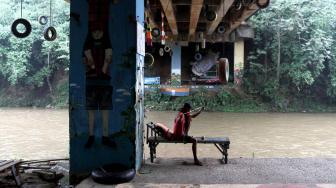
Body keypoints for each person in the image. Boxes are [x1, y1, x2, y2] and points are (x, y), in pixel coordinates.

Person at [83, 0, 115, 149]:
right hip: (92, 82)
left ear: (103, 32)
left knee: (104, 112)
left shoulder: (106, 45)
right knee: (92, 112)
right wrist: (97, 68)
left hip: (103, 82)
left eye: (99, 31)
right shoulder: (88, 47)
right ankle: (91, 136)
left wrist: (101, 69)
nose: (97, 34)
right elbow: (88, 62)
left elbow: (108, 59)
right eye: (94, 31)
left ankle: (105, 136)